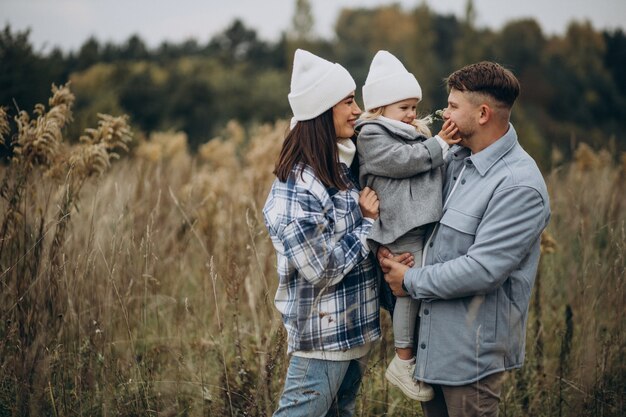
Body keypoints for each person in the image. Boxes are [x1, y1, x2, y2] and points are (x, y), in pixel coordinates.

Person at [380, 61, 551, 417]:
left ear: (483, 113)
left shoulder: (518, 185)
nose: (446, 113)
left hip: (471, 361)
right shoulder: (455, 160)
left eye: (454, 106)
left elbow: (483, 270)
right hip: (432, 351)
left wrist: (409, 280)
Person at [263, 49, 382, 417]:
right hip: (322, 341)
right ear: (321, 110)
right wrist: (366, 224)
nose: (357, 109)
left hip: (352, 337)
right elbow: (322, 269)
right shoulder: (298, 186)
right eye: (347, 101)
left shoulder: (339, 166)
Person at [356, 50, 460, 402]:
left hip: (415, 225)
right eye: (404, 107)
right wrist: (440, 143)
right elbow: (401, 162)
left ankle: (412, 353)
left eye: (414, 106)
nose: (412, 114)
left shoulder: (407, 130)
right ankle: (403, 360)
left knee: (413, 287)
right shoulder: (371, 134)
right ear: (381, 107)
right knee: (409, 289)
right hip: (400, 227)